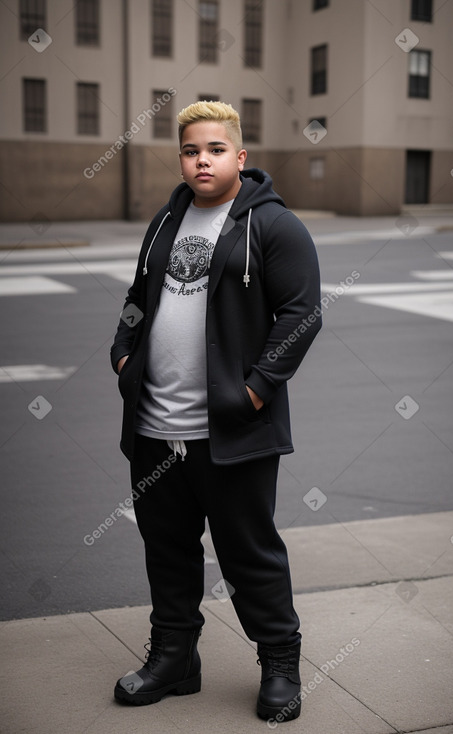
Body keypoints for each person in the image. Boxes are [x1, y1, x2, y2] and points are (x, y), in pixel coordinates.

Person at [110, 100, 321, 722]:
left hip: (232, 432)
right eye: (190, 150)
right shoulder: (165, 221)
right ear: (181, 158)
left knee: (248, 552)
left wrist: (253, 390)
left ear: (240, 156)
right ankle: (175, 658)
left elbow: (302, 314)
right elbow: (138, 295)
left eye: (215, 149)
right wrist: (123, 354)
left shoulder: (272, 225)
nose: (202, 160)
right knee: (167, 548)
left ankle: (280, 664)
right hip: (155, 427)